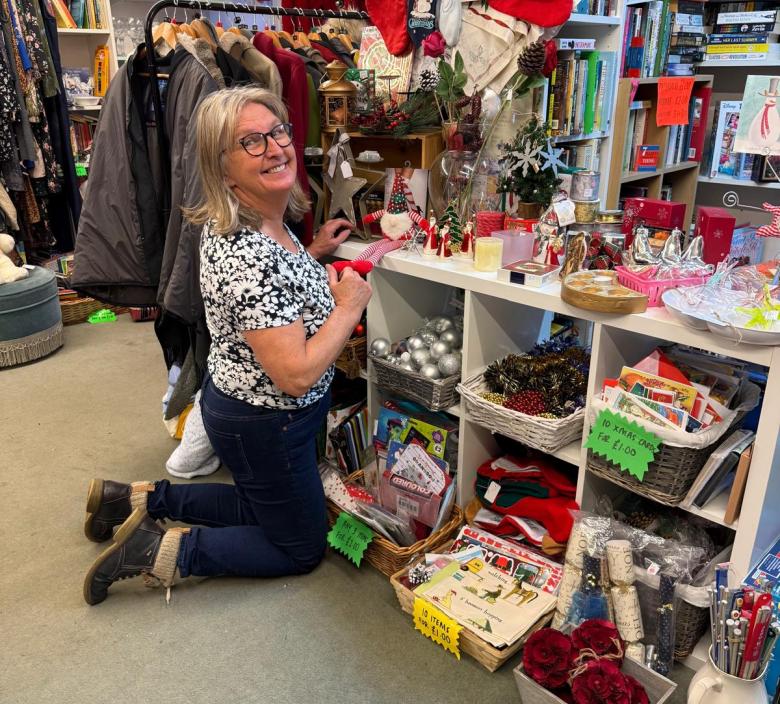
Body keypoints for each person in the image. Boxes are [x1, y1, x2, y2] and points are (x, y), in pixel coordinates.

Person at [82, 86, 372, 605]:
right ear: (221, 168)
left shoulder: (260, 222)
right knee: (300, 546)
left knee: (263, 504)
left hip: (250, 408)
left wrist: (312, 253)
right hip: (268, 417)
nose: (276, 148)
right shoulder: (246, 250)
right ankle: (159, 551)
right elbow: (295, 374)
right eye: (251, 142)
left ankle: (129, 500)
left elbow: (269, 298)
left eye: (278, 131)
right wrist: (348, 307)